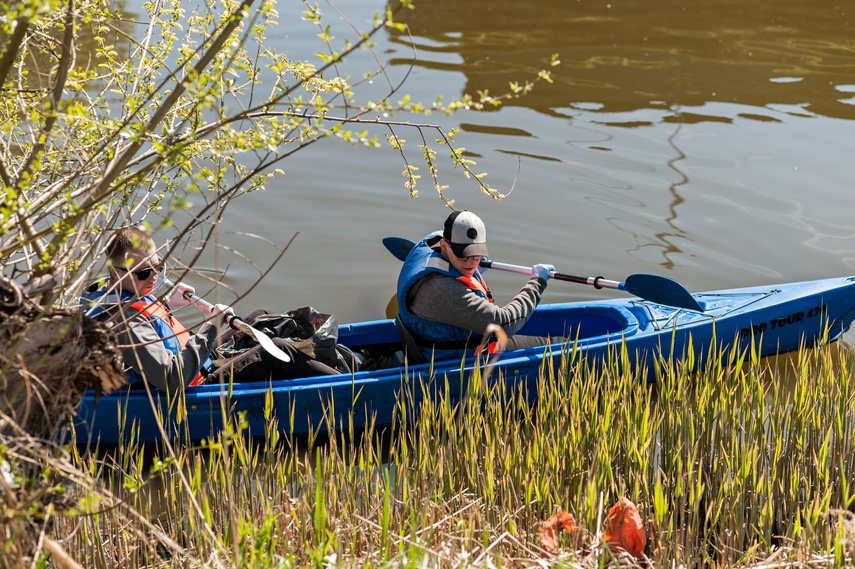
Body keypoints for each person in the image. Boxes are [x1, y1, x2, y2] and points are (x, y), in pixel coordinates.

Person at [81, 226, 339, 391]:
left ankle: (321, 369)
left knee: (259, 316)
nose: (154, 277)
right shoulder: (122, 321)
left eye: (158, 267)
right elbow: (172, 379)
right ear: (117, 273)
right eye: (144, 272)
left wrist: (168, 303)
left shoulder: (120, 291)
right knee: (277, 350)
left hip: (193, 360)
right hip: (194, 382)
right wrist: (212, 326)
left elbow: (151, 328)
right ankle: (347, 389)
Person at [396, 210, 557, 362]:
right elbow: (503, 323)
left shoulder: (434, 247)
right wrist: (537, 283)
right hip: (459, 360)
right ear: (444, 246)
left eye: (477, 254)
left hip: (454, 340)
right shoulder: (442, 290)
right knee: (559, 345)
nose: (472, 263)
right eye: (464, 255)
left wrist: (468, 264)